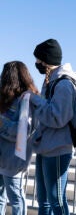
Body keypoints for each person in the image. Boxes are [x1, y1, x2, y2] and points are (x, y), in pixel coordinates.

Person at [29, 38, 76, 215]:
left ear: (46, 60)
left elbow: (58, 118)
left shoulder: (64, 84)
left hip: (58, 149)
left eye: (38, 60)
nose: (36, 63)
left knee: (57, 200)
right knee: (44, 201)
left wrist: (35, 100)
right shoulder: (49, 82)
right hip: (46, 148)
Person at [0, 61, 39, 215]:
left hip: (13, 159)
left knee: (15, 197)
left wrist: (2, 123)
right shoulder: (6, 99)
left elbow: (23, 131)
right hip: (3, 157)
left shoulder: (26, 100)